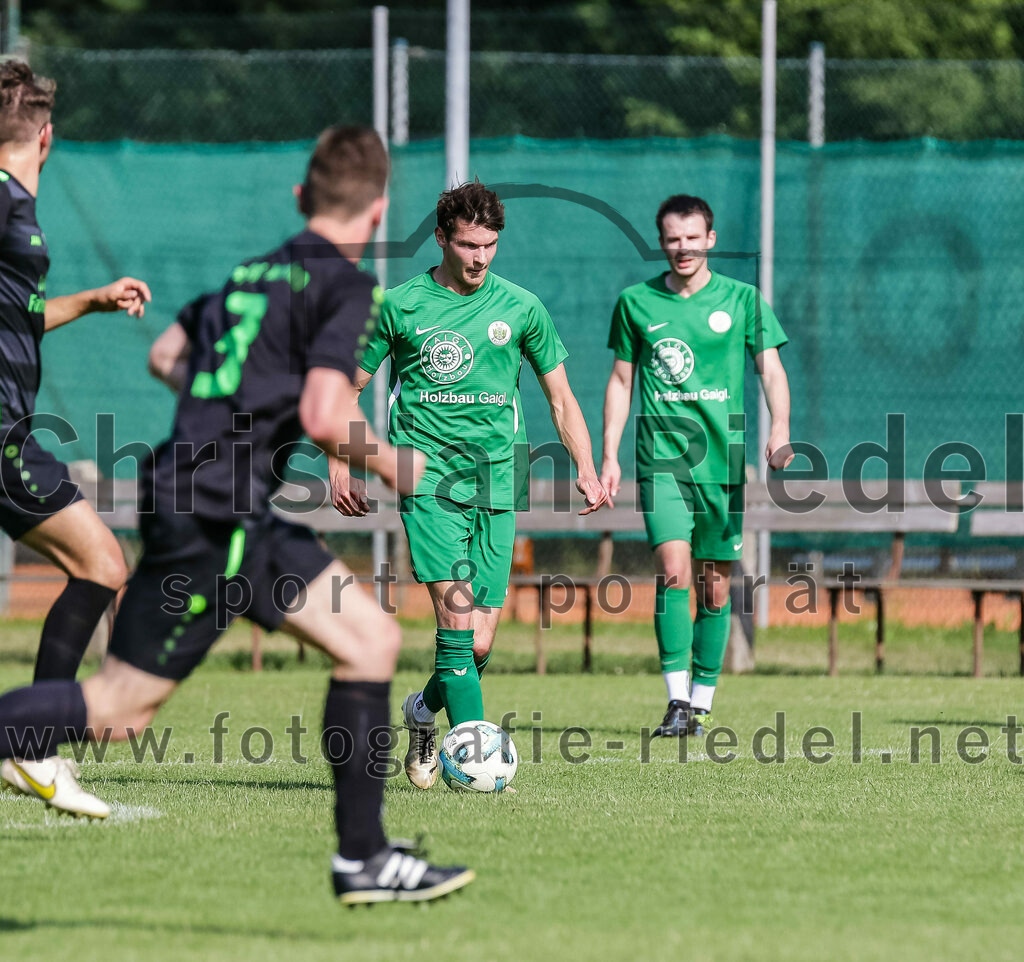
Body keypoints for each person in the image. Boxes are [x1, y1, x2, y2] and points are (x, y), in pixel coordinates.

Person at [0, 126, 474, 904]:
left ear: (301, 198)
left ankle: (365, 859)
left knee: (371, 637)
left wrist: (238, 401)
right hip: (213, 512)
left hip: (219, 499)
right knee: (119, 709)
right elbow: (326, 415)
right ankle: (364, 855)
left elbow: (166, 355)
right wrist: (398, 466)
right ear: (381, 210)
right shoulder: (352, 287)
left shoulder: (254, 272)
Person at [330, 181, 608, 789]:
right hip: (425, 478)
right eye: (467, 245)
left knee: (479, 641)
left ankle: (423, 713)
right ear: (440, 239)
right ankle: (480, 768)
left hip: (498, 480)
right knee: (455, 619)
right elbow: (345, 390)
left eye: (489, 245)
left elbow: (560, 398)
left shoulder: (522, 307)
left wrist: (585, 466)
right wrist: (340, 461)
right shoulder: (399, 307)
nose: (479, 258)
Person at [0, 60, 152, 817]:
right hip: (0, 437)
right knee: (100, 561)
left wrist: (89, 301)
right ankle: (31, 748)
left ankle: (32, 750)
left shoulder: (16, 210)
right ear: (48, 137)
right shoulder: (3, 202)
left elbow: (17, 316)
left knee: (98, 563)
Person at [600, 194, 793, 738]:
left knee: (714, 589)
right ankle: (677, 700)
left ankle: (703, 700)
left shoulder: (743, 300)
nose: (682, 248)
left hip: (724, 466)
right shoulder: (635, 303)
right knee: (674, 572)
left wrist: (779, 430)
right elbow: (620, 381)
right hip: (662, 462)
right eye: (671, 238)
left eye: (692, 237)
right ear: (660, 242)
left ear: (710, 239)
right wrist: (609, 454)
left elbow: (771, 371)